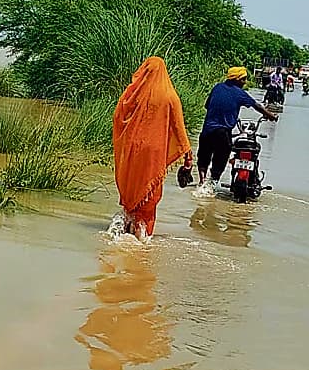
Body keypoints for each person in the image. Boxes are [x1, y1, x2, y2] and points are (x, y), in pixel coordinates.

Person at [112, 57, 193, 240]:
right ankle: (142, 244)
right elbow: (180, 131)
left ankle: (124, 231)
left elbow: (117, 118)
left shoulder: (131, 94)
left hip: (131, 152)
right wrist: (188, 160)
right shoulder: (169, 96)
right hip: (153, 155)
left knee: (132, 194)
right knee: (148, 200)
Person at [197, 67, 279, 186]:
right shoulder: (240, 93)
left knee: (203, 157)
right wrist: (271, 115)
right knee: (220, 160)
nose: (245, 82)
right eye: (243, 79)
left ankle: (201, 181)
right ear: (237, 79)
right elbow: (257, 106)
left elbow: (207, 105)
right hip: (223, 133)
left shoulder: (217, 87)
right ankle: (212, 184)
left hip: (207, 131)